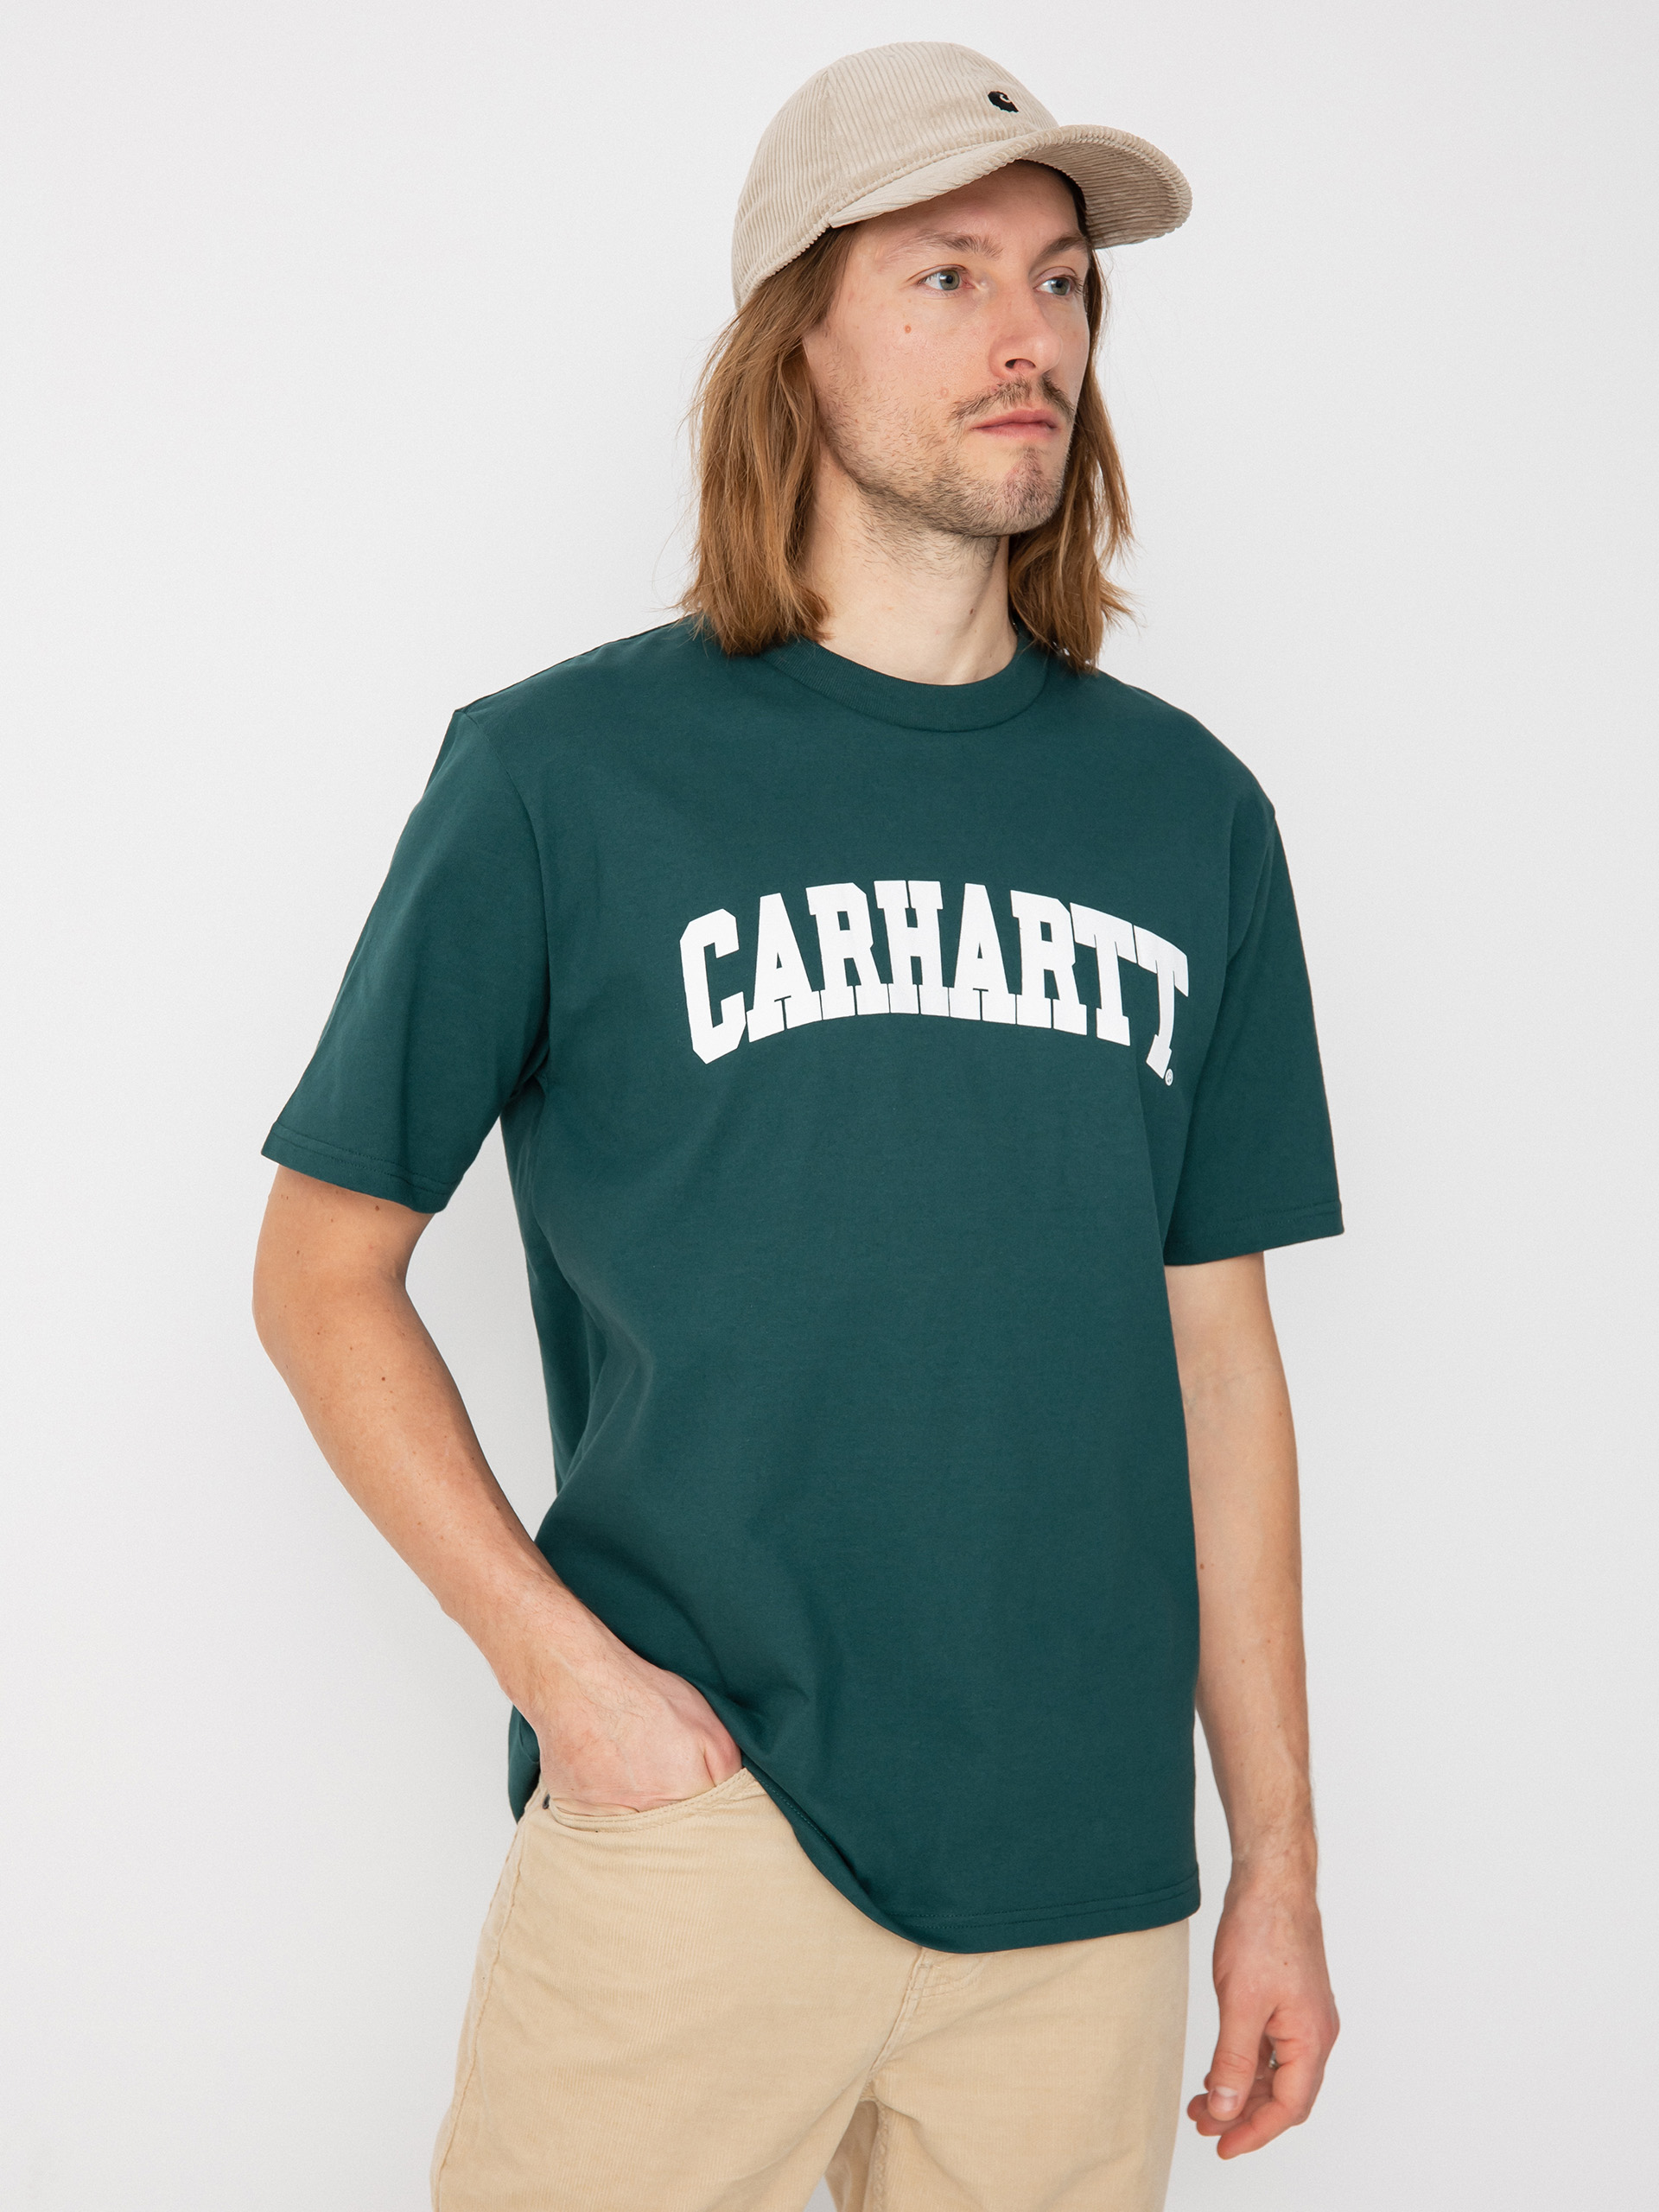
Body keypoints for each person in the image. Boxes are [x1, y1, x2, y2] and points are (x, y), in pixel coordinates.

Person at [252, 40, 1342, 2212]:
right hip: (699, 1831)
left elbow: (1218, 1359)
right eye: (949, 274)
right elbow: (319, 1268)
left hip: (1084, 1888)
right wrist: (572, 1684)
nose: (1032, 335)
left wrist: (1278, 1870)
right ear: (796, 339)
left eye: (1061, 279)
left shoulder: (1188, 812)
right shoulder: (562, 777)